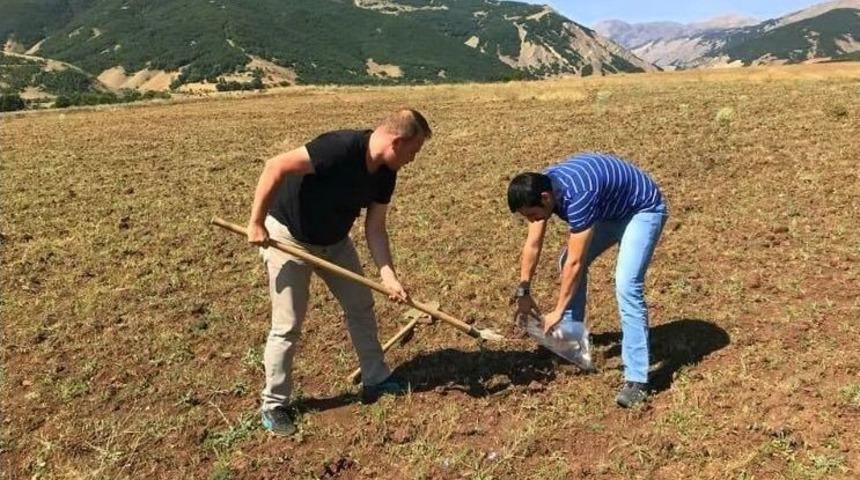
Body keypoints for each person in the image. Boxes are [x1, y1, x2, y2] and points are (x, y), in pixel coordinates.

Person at [246, 109, 431, 435]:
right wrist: (256, 222)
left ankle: (375, 377)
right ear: (397, 142)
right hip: (289, 237)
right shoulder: (339, 148)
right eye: (414, 152)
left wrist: (387, 274)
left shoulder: (386, 172)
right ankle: (274, 404)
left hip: (335, 242)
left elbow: (375, 228)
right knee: (287, 325)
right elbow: (275, 166)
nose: (414, 159)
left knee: (360, 305)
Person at [507, 152, 668, 408]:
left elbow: (576, 263)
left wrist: (557, 311)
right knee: (565, 262)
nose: (533, 221)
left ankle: (637, 380)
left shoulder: (578, 196)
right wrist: (523, 291)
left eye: (534, 215)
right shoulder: (540, 189)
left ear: (546, 199)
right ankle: (572, 343)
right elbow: (533, 244)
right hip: (610, 210)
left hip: (642, 210)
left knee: (627, 285)